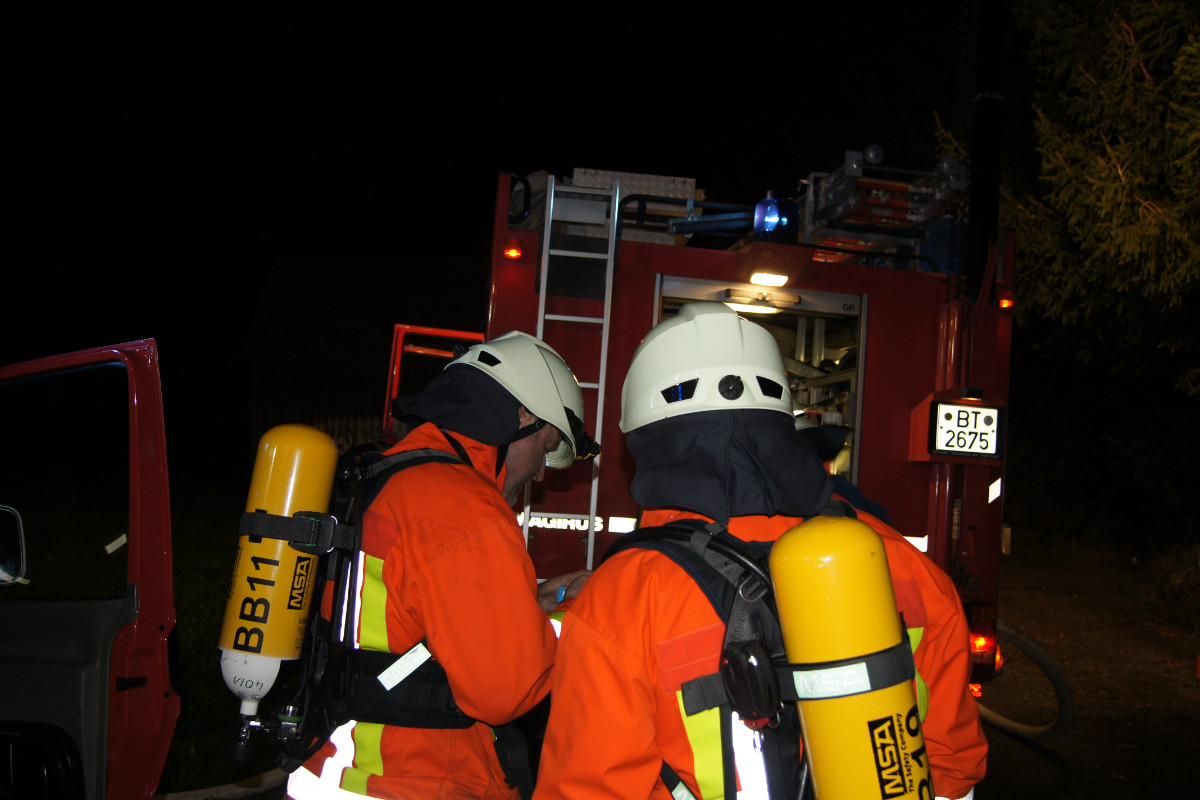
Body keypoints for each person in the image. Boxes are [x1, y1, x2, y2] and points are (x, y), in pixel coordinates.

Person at [534, 302, 986, 800]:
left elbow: (588, 788)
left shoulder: (623, 598)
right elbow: (953, 772)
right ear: (781, 416)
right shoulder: (900, 562)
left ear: (644, 436)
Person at [288, 330, 598, 800]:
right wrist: (575, 612)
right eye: (546, 445)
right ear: (523, 415)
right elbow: (507, 689)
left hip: (342, 765)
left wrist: (528, 605)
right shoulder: (465, 507)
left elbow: (412, 620)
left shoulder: (393, 474)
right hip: (413, 779)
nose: (539, 472)